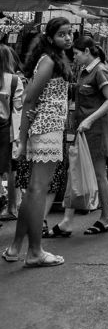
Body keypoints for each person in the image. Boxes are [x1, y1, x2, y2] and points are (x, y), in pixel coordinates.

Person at [3, 17, 72, 267]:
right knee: (37, 191)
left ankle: (15, 248)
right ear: (51, 37)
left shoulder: (51, 59)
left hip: (44, 129)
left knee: (34, 191)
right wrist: (20, 139)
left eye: (69, 33)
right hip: (47, 130)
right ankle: (35, 252)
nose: (68, 37)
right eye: (62, 34)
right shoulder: (49, 60)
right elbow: (29, 100)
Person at [50, 36, 108, 237]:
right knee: (75, 171)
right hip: (82, 131)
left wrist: (89, 120)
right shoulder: (84, 71)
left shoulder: (100, 70)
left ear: (87, 51)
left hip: (96, 131)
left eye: (78, 54)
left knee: (99, 175)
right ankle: (67, 220)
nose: (76, 57)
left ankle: (106, 218)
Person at [0, 44, 23, 221]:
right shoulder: (14, 80)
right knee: (9, 169)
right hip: (5, 131)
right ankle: (11, 206)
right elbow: (18, 110)